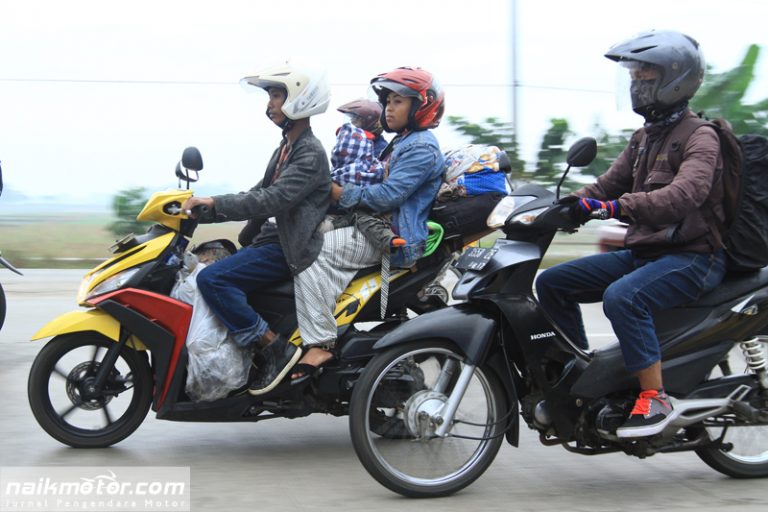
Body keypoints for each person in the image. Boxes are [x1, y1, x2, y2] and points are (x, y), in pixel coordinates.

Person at [535, 30, 728, 438]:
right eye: (633, 76)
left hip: (694, 257)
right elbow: (606, 185)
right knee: (552, 282)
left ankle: (655, 398)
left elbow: (683, 195)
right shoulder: (643, 138)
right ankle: (582, 374)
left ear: (675, 80)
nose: (636, 83)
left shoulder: (701, 136)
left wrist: (615, 207)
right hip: (648, 253)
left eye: (645, 75)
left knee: (624, 297)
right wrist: (560, 207)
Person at [250, 66, 446, 392]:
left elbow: (388, 195)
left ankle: (320, 343)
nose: (389, 109)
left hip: (390, 236)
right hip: (373, 228)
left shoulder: (421, 147)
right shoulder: (402, 142)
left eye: (398, 102)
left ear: (421, 106)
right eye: (388, 102)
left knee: (310, 254)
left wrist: (339, 193)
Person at [181, 63, 331, 396]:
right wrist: (204, 210)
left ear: (300, 101)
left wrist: (215, 204)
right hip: (269, 240)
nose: (270, 104)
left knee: (212, 279)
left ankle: (274, 347)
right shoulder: (286, 147)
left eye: (277, 96)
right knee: (206, 262)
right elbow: (258, 192)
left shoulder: (309, 153)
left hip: (288, 248)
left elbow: (272, 199)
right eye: (271, 96)